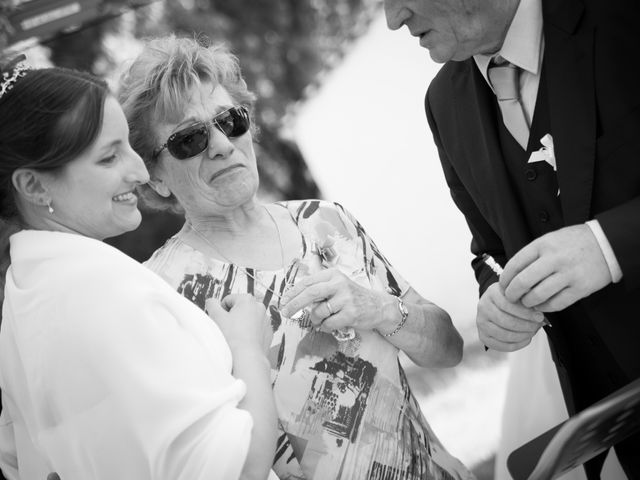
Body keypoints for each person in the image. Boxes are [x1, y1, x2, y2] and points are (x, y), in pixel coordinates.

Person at [117, 34, 473, 480]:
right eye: (189, 139)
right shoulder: (164, 295)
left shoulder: (327, 221)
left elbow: (449, 350)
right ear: (155, 179)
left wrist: (380, 309)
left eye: (230, 120)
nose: (222, 145)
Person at [382, 0, 640, 477]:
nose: (392, 19)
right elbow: (490, 250)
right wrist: (495, 297)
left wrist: (609, 245)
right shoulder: (443, 103)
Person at [0, 56, 278, 480]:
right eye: (109, 158)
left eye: (129, 146)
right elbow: (238, 468)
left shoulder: (24, 300)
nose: (138, 170)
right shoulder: (97, 293)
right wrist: (246, 349)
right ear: (35, 186)